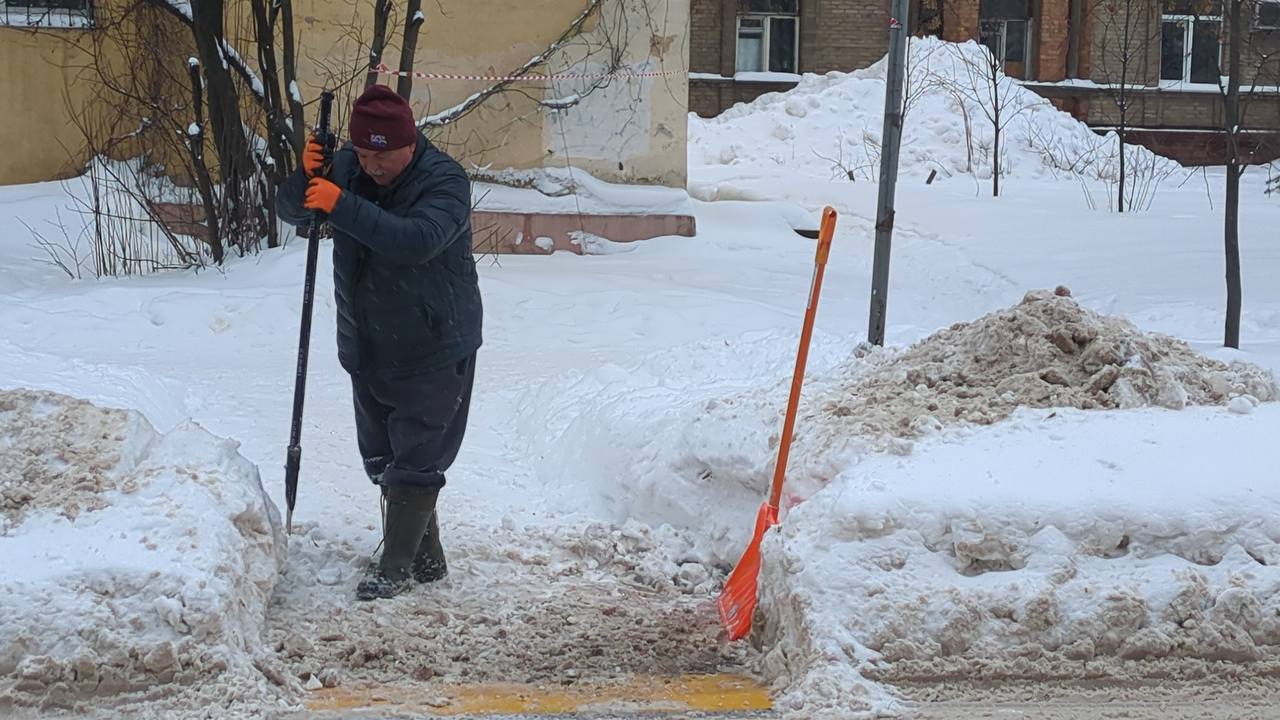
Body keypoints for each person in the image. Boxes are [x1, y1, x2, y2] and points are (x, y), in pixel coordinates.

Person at [277, 84, 482, 601]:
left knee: (418, 454)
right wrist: (307, 175)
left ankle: (394, 567)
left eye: (382, 156)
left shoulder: (446, 181)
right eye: (363, 155)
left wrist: (341, 204)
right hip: (368, 340)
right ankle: (425, 559)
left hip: (433, 342)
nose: (372, 166)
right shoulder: (346, 167)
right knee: (383, 457)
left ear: (409, 143)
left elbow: (416, 241)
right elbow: (294, 212)